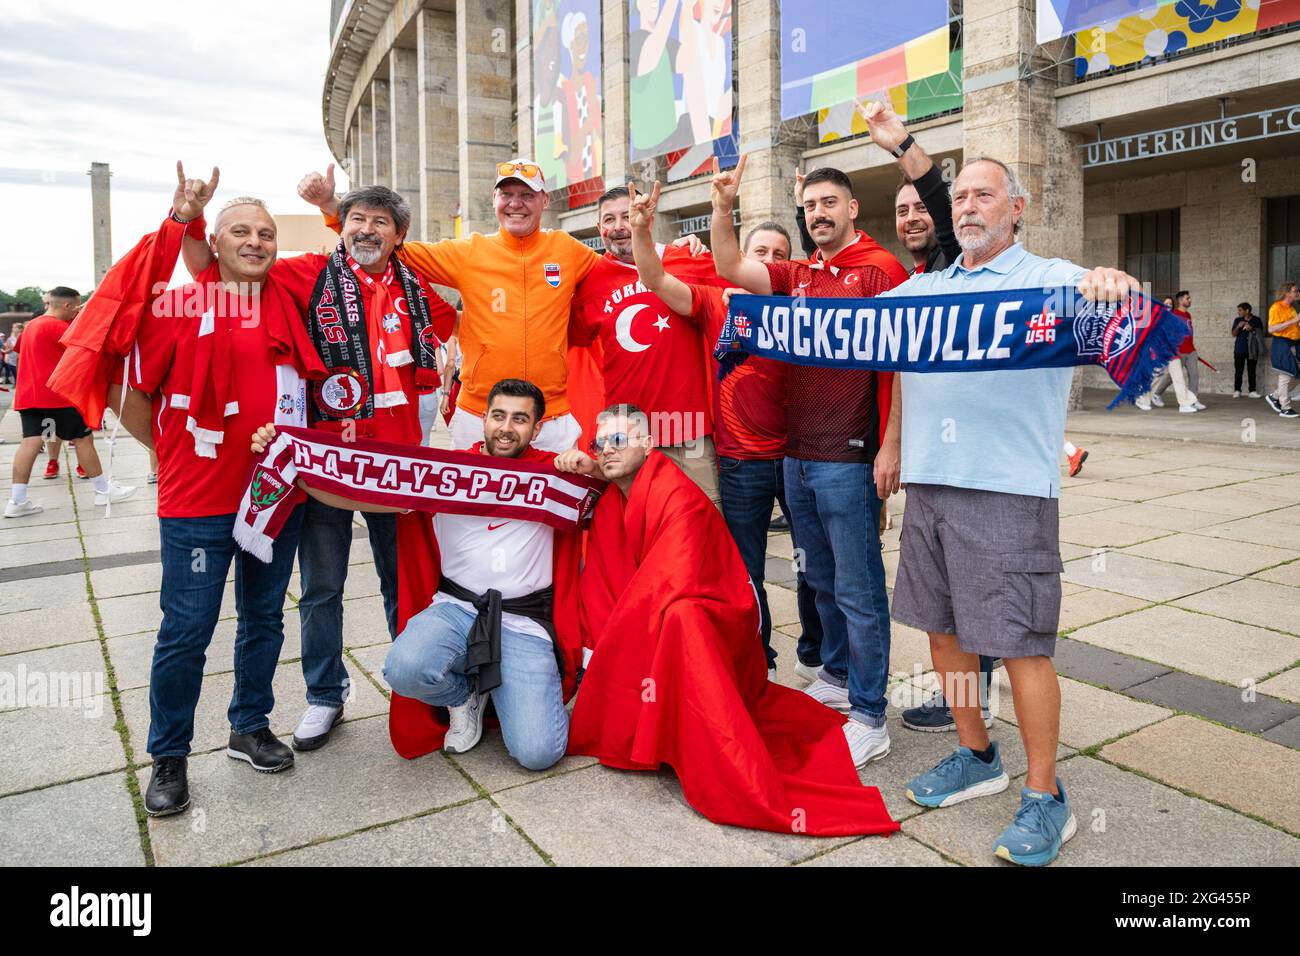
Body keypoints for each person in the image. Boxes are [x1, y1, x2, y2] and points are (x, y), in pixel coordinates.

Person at [882, 155, 1139, 866]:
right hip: (931, 485)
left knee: (1021, 641)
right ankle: (975, 753)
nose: (967, 206)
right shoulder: (921, 291)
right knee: (942, 632)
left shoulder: (1053, 281)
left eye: (983, 195)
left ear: (1016, 208)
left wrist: (1116, 285)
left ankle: (1044, 795)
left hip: (1008, 490)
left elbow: (1121, 307)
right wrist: (893, 445)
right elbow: (886, 358)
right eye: (958, 196)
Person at [68, 164, 327, 816]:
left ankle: (248, 725)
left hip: (275, 497)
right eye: (241, 230)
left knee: (265, 619)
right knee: (187, 631)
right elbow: (130, 393)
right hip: (198, 503)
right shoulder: (180, 305)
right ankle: (170, 756)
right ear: (214, 242)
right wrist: (170, 449)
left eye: (266, 233)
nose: (257, 241)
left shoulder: (287, 304)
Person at [183, 183, 457, 752]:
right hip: (327, 461)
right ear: (340, 225)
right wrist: (189, 219)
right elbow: (223, 265)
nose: (368, 230)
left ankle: (413, 692)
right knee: (321, 587)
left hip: (397, 462)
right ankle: (325, 695)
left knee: (400, 582)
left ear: (399, 235)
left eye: (381, 222)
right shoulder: (306, 272)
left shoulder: (420, 290)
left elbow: (441, 340)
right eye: (357, 218)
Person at [556, 404, 898, 836]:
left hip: (721, 608)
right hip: (671, 600)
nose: (606, 451)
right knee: (673, 617)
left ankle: (700, 738)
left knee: (684, 621)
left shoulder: (675, 495)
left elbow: (671, 578)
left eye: (618, 441)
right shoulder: (616, 495)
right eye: (599, 443)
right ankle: (656, 727)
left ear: (648, 443)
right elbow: (610, 578)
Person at [252, 379, 583, 771]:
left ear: (537, 428)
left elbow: (615, 482)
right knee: (403, 668)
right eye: (498, 415)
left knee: (537, 753)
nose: (507, 427)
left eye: (520, 419)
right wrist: (296, 468)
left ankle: (510, 692)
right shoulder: (447, 472)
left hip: (523, 620)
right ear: (483, 418)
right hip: (456, 609)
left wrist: (588, 464)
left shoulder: (554, 475)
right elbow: (357, 494)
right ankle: (464, 697)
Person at [711, 156, 907, 767]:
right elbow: (728, 266)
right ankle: (841, 675)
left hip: (849, 458)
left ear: (851, 209)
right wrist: (723, 205)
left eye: (829, 204)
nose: (818, 214)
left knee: (859, 586)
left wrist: (891, 447)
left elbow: (905, 366)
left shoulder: (881, 271)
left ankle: (871, 714)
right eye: (811, 206)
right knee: (818, 578)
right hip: (796, 455)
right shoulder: (798, 273)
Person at [625, 180, 824, 682]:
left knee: (814, 566)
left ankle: (816, 652)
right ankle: (759, 657)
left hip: (800, 458)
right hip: (739, 460)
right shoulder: (717, 301)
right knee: (745, 568)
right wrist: (643, 229)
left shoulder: (802, 305)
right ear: (744, 256)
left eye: (779, 254)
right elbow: (654, 278)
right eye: (761, 250)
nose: (770, 258)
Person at [299, 159, 603, 453]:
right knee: (474, 506)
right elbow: (386, 244)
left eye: (527, 195)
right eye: (507, 194)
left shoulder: (567, 249)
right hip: (479, 413)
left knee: (557, 506)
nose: (516, 203)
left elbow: (615, 275)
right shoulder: (470, 251)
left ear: (545, 200)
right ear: (494, 198)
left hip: (551, 417)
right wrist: (330, 205)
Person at [569, 185, 721, 502]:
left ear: (647, 218)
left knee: (703, 523)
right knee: (632, 528)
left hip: (687, 428)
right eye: (609, 219)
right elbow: (567, 341)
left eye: (627, 215)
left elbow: (742, 281)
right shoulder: (590, 281)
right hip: (624, 434)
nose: (619, 226)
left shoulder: (685, 258)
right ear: (599, 229)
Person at [4, 288, 136, 519]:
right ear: (66, 306)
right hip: (57, 395)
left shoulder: (32, 325)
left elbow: (20, 350)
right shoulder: (60, 327)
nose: (76, 310)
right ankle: (102, 490)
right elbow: (88, 349)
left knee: (30, 443)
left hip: (29, 395)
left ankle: (17, 500)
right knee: (83, 438)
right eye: (75, 306)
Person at [1153, 290, 1203, 399]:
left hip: (1191, 351)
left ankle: (1192, 400)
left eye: (1189, 298)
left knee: (1194, 376)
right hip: (1178, 351)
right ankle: (1156, 394)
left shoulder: (1188, 315)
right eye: (1187, 298)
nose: (1190, 300)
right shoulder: (1173, 314)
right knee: (1172, 376)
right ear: (1181, 301)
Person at [1266, 282, 1300, 418]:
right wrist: (1293, 321)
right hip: (1281, 343)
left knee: (1297, 375)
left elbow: (1292, 327)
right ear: (1287, 293)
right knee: (1285, 374)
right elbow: (1271, 329)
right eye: (1295, 291)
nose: (1298, 293)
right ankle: (1285, 407)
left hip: (1294, 343)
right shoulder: (1276, 307)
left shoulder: (1291, 309)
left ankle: (1275, 396)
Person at [1231, 302, 1264, 398]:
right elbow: (1233, 334)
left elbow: (1260, 334)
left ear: (1247, 311)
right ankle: (1237, 390)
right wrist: (1238, 326)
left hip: (1252, 349)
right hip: (1239, 348)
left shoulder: (1257, 320)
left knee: (1252, 370)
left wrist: (1252, 329)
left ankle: (1252, 391)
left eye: (1240, 310)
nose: (1238, 312)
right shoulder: (1237, 320)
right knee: (1238, 370)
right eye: (1238, 310)